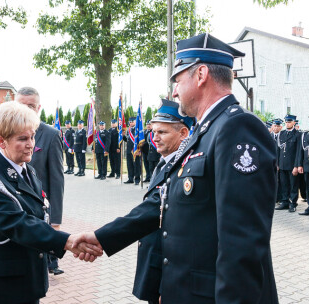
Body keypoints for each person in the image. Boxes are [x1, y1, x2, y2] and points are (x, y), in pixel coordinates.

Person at [74, 33, 278, 303]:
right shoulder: (205, 132)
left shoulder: (236, 128)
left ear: (201, 74)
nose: (174, 91)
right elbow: (164, 202)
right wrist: (103, 237)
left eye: (178, 80)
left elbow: (242, 242)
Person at [0, 101, 101, 304]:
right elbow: (17, 224)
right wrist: (66, 241)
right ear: (1, 141)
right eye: (22, 139)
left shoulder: (29, 171)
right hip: (2, 286)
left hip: (28, 279)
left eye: (32, 137)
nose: (31, 144)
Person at [132, 100, 193, 304]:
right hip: (155, 265)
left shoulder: (185, 167)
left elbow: (184, 236)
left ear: (183, 133)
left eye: (162, 132)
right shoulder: (165, 163)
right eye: (154, 132)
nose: (154, 138)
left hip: (168, 274)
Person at [15, 86, 66, 275]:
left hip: (39, 209)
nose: (27, 110)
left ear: (38, 108)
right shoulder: (4, 132)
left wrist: (56, 219)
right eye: (22, 105)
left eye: (31, 106)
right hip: (12, 207)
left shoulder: (50, 135)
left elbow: (57, 180)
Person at [275, 114, 301, 212]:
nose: (287, 123)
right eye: (286, 122)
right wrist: (277, 163)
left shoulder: (298, 135)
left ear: (294, 122)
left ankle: (293, 203)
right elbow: (278, 150)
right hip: (282, 164)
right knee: (284, 184)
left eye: (289, 122)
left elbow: (298, 152)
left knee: (293, 185)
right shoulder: (281, 134)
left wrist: (296, 166)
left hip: (292, 164)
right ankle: (284, 201)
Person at [124, 117, 142, 185]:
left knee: (136, 165)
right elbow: (127, 140)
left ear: (135, 122)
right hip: (129, 150)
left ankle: (137, 179)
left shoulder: (137, 129)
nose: (131, 123)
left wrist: (139, 150)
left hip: (135, 150)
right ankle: (130, 178)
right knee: (129, 165)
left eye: (132, 121)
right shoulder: (128, 130)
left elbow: (140, 141)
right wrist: (123, 137)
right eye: (130, 122)